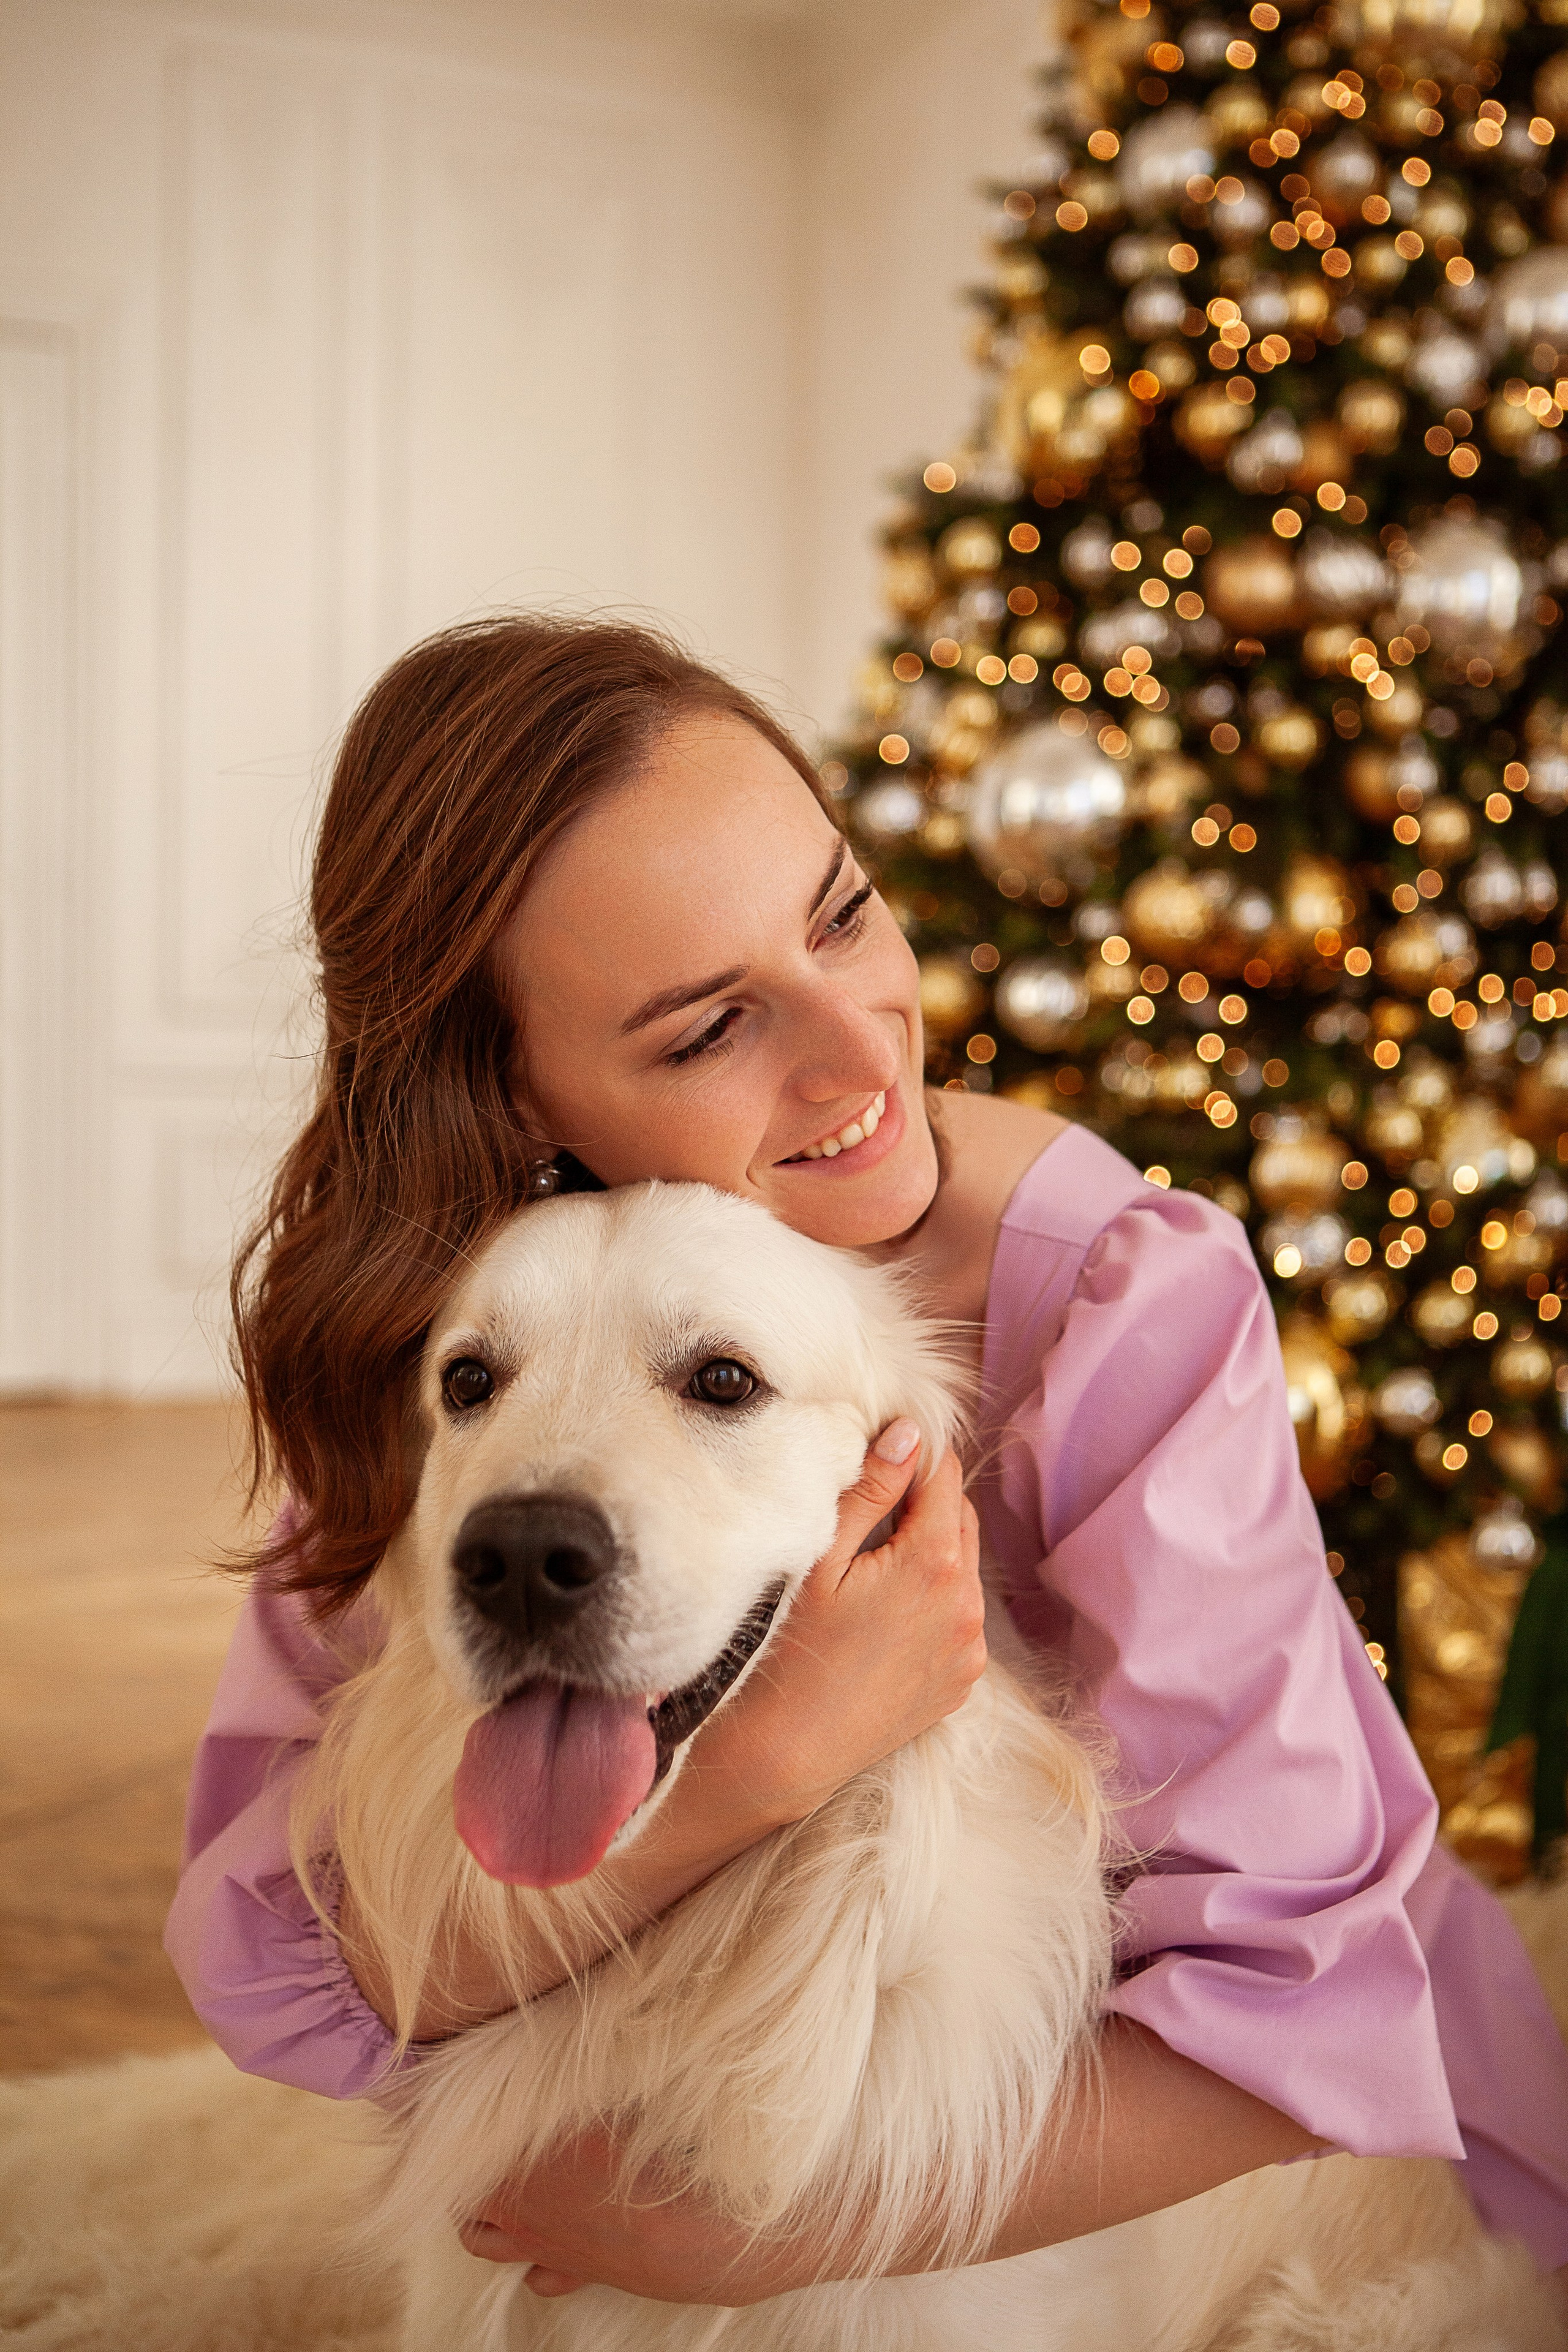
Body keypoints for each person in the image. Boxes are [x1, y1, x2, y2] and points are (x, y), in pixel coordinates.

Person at [166, 614, 1568, 2301]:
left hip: (1238, 2150)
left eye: (843, 913)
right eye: (706, 1030)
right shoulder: (469, 1343)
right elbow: (290, 1968)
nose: (860, 1056)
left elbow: (1317, 1999)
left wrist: (766, 2243)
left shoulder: (1122, 1300)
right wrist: (771, 1762)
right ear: (513, 1101)